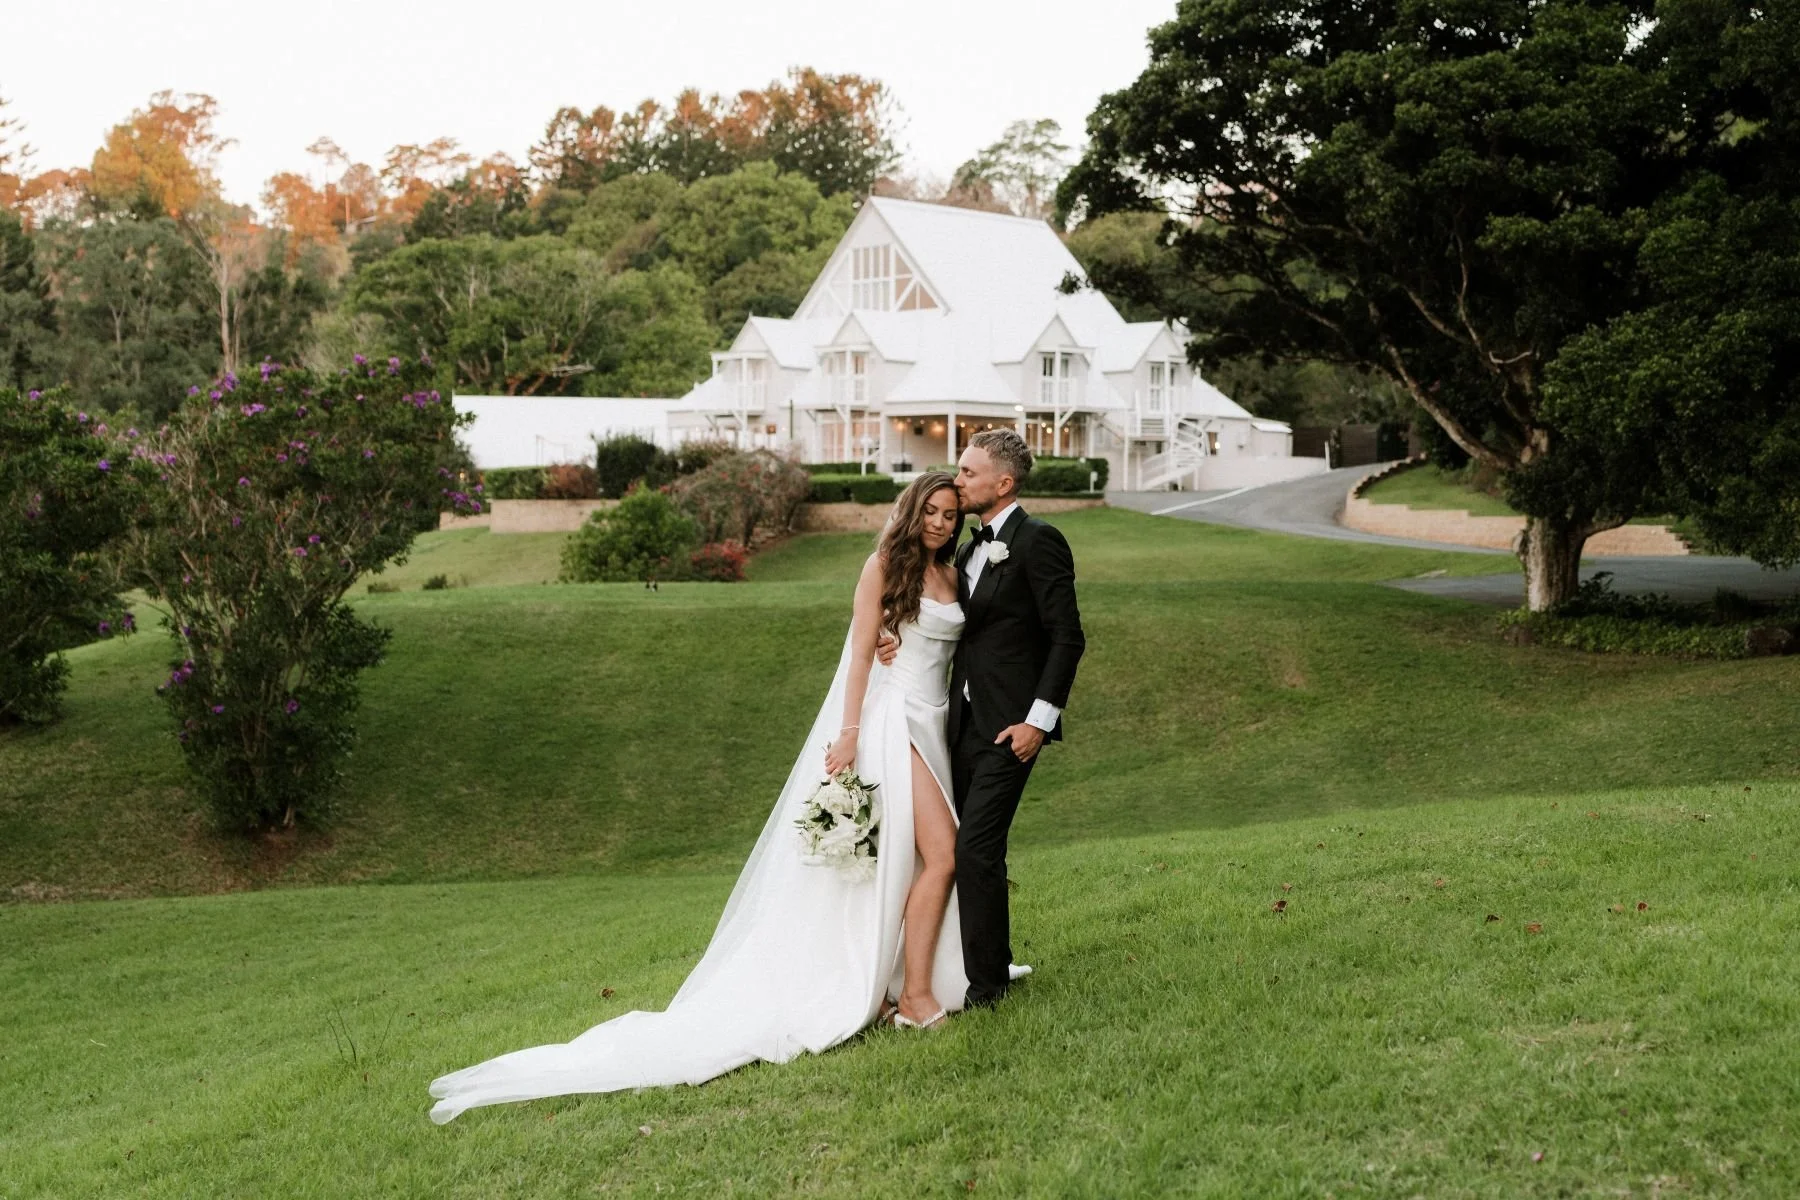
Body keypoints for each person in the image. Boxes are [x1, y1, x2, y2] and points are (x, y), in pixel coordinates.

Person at [428, 472, 972, 1123]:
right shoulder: (884, 564)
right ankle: (912, 997)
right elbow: (858, 655)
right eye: (933, 511)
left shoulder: (953, 572)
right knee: (942, 854)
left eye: (951, 513)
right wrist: (849, 735)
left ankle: (895, 987)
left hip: (934, 724)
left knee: (909, 864)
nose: (941, 521)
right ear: (914, 510)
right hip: (892, 723)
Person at [881, 429, 1084, 1008]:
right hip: (957, 725)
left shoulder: (1041, 541)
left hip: (1011, 730)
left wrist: (1037, 723)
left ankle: (985, 990)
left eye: (969, 472)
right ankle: (978, 967)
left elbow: (1067, 639)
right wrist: (884, 641)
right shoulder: (967, 550)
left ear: (1004, 482)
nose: (958, 479)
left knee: (972, 849)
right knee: (976, 853)